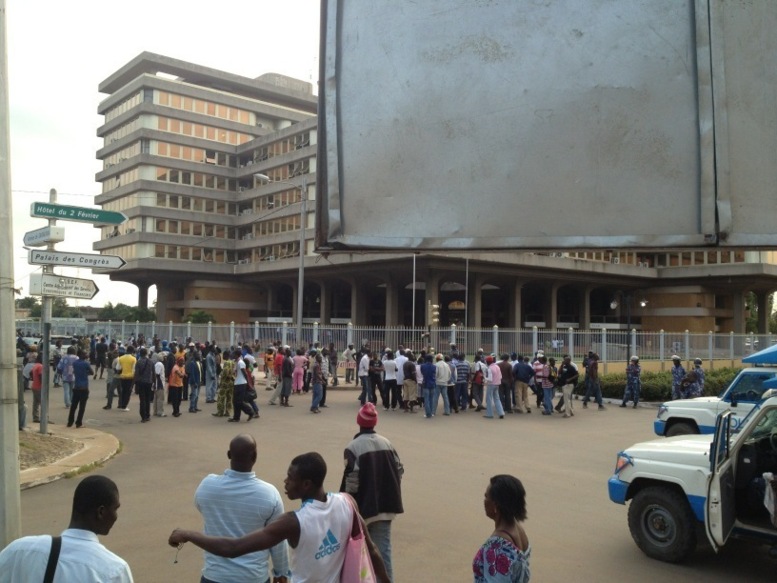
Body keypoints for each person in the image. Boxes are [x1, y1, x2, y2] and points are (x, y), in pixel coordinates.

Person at [169, 452, 390, 583]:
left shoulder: (294, 522)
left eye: (290, 478)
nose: (285, 481)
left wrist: (187, 534)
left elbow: (233, 548)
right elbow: (372, 550)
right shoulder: (347, 503)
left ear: (306, 484)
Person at [0, 475, 133, 583]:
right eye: (115, 509)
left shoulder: (21, 549)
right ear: (101, 512)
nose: (116, 516)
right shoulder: (114, 570)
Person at [194, 435, 290, 583]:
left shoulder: (207, 486)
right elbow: (278, 539)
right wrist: (281, 572)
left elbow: (201, 507)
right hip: (253, 577)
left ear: (229, 455)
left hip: (214, 576)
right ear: (255, 456)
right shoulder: (269, 494)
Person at [341, 403, 404, 582]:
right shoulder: (387, 443)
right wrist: (389, 489)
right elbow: (399, 469)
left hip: (362, 510)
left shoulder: (353, 447)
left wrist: (349, 507)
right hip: (386, 507)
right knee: (383, 553)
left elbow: (352, 483)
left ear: (359, 422)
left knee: (356, 552)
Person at [472, 474, 530, 583]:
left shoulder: (496, 546)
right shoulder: (519, 530)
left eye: (486, 497)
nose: (484, 501)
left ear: (496, 505)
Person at [67, 350, 94, 428]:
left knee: (73, 406)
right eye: (85, 353)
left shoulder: (75, 363)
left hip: (76, 387)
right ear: (81, 355)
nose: (86, 354)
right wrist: (85, 373)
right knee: (82, 407)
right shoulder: (86, 363)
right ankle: (78, 423)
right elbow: (92, 372)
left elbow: (73, 372)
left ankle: (70, 422)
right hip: (84, 388)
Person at [230, 350, 255, 423]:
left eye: (234, 354)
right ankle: (236, 417)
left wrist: (247, 384)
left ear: (237, 355)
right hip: (237, 383)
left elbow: (245, 374)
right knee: (235, 401)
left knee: (239, 402)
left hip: (241, 384)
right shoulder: (236, 362)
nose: (232, 355)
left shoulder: (241, 363)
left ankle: (250, 412)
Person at [133, 347, 154, 423]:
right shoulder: (151, 362)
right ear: (146, 354)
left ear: (140, 354)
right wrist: (154, 383)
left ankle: (143, 416)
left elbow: (136, 374)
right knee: (148, 399)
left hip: (141, 383)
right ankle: (148, 415)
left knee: (142, 400)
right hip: (149, 382)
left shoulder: (138, 362)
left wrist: (134, 384)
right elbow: (153, 373)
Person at [117, 345, 137, 412]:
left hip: (122, 377)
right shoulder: (133, 359)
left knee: (123, 391)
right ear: (132, 351)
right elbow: (134, 370)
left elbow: (118, 368)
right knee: (128, 392)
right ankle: (124, 406)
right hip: (130, 377)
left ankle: (121, 404)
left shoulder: (121, 358)